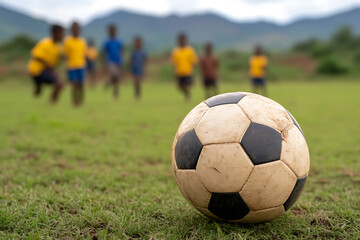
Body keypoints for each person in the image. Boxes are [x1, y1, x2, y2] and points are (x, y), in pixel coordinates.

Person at [27, 24, 64, 103]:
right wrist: (46, 63)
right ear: (55, 33)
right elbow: (35, 55)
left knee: (59, 84)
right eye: (61, 33)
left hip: (46, 70)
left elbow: (56, 62)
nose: (63, 36)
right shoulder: (45, 43)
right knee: (59, 84)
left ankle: (41, 92)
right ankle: (51, 102)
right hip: (37, 70)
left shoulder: (58, 47)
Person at [63, 22, 87, 106]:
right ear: (71, 30)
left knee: (81, 85)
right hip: (71, 66)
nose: (76, 30)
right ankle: (74, 102)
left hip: (81, 66)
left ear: (79, 30)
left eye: (77, 28)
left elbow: (84, 54)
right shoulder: (68, 41)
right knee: (74, 84)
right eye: (74, 28)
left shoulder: (82, 41)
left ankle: (81, 101)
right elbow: (65, 54)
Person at [171, 33, 198, 101]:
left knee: (187, 85)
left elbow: (193, 62)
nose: (181, 41)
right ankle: (187, 94)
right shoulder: (176, 51)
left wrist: (193, 72)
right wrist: (174, 72)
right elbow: (174, 63)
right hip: (179, 72)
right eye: (180, 40)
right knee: (180, 86)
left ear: (185, 40)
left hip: (188, 72)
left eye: (183, 40)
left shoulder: (190, 50)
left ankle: (187, 97)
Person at [103, 24, 124, 99]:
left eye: (114, 30)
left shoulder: (119, 42)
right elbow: (104, 53)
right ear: (109, 32)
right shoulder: (106, 42)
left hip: (118, 61)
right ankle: (110, 85)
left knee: (117, 78)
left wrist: (122, 61)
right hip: (110, 62)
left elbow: (121, 51)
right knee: (114, 75)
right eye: (111, 30)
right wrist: (104, 63)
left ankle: (115, 91)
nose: (113, 32)